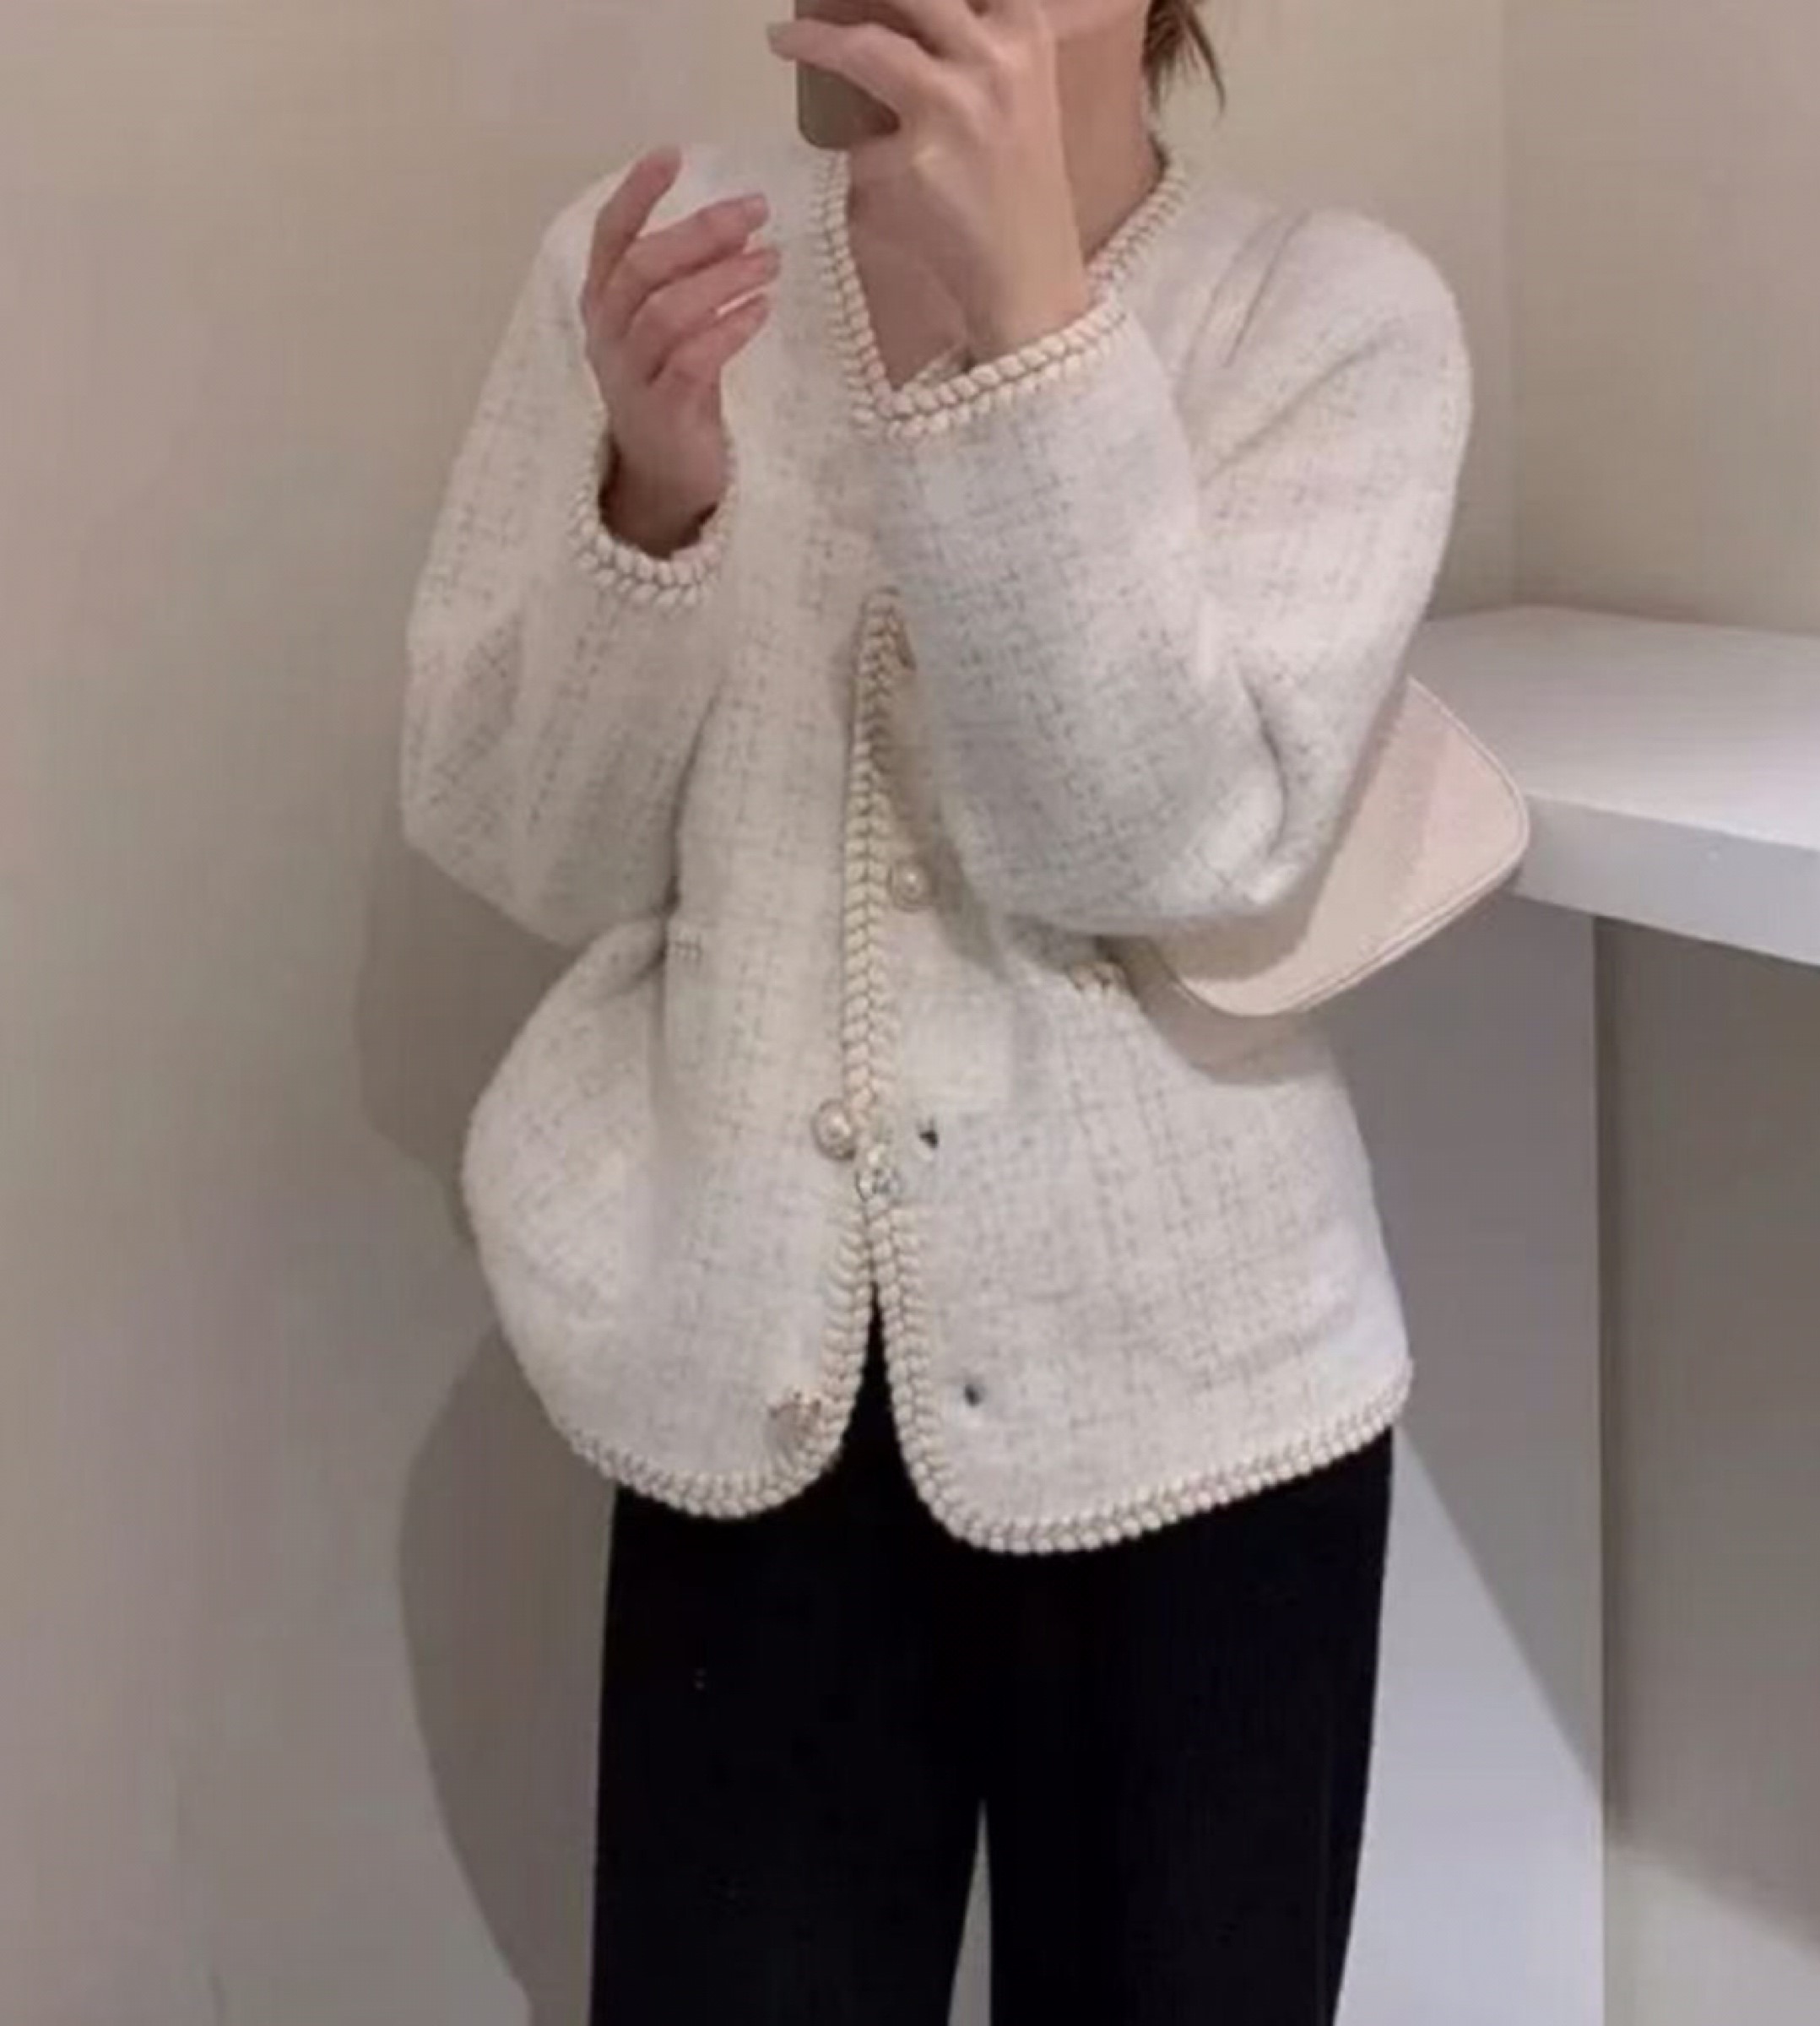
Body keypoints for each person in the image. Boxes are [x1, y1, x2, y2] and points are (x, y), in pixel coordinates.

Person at [402, 0, 1473, 2017]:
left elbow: (1156, 842)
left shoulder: (1329, 322)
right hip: (744, 1396)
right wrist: (650, 503)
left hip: (1202, 1424)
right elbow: (520, 840)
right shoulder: (653, 269)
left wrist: (1033, 331)